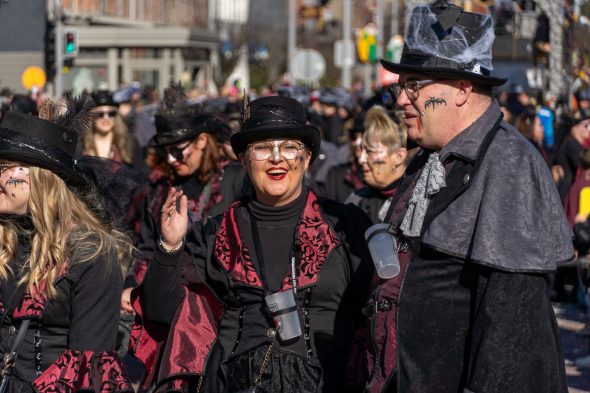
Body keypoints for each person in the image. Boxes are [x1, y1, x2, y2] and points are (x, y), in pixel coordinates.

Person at [358, 4, 574, 393]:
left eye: (414, 86)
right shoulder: (430, 157)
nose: (401, 100)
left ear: (461, 90)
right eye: (400, 85)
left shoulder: (507, 165)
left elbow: (512, 328)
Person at [129, 96, 374, 392]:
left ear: (307, 157)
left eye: (289, 147)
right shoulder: (214, 234)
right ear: (243, 159)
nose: (276, 158)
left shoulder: (345, 226)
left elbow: (375, 318)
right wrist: (169, 246)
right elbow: (161, 313)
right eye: (262, 148)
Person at [0, 97, 133, 392]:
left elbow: (89, 366)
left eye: (5, 166)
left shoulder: (92, 252)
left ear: (41, 178)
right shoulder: (4, 237)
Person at [120, 94, 249, 313]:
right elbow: (147, 248)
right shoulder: (158, 189)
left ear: (201, 141)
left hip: (222, 305)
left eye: (177, 151)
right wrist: (132, 285)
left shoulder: (235, 180)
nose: (171, 160)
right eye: (166, 152)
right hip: (169, 302)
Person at [345, 106, 409, 223]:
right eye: (362, 150)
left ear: (398, 156)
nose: (361, 160)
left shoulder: (416, 203)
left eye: (370, 152)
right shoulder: (357, 200)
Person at [86, 90, 146, 172]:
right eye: (100, 114)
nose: (106, 118)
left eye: (111, 113)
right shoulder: (81, 145)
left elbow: (140, 176)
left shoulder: (130, 142)